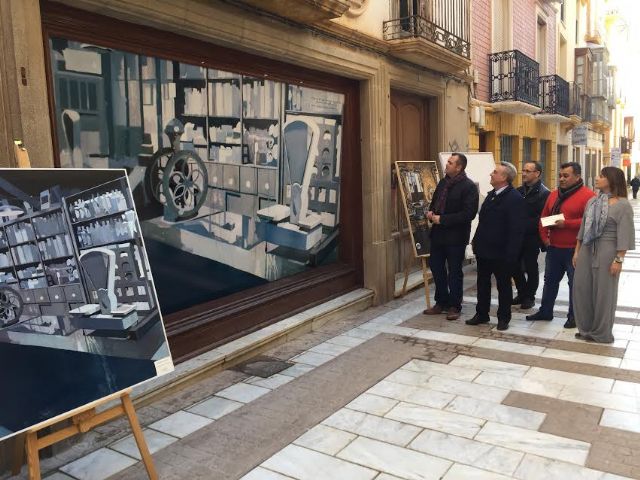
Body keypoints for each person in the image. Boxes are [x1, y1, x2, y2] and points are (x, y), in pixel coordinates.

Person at [527, 162, 595, 327]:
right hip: (554, 247)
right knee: (549, 281)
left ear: (577, 177)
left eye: (566, 176)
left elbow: (590, 222)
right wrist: (545, 239)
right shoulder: (554, 194)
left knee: (574, 284)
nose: (561, 179)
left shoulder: (588, 196)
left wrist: (567, 224)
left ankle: (574, 316)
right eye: (560, 175)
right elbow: (543, 218)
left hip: (575, 249)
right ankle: (545, 311)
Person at [573, 167, 635, 343]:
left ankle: (601, 332)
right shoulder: (592, 202)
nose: (597, 178)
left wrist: (618, 260)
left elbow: (625, 235)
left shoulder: (623, 205)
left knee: (604, 293)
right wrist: (577, 251)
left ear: (611, 180)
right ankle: (585, 328)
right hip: (586, 249)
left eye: (601, 176)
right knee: (582, 289)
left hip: (608, 251)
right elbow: (583, 228)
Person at [466, 162, 524, 331]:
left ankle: (503, 317)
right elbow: (483, 222)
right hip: (484, 250)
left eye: (495, 172)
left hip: (502, 253)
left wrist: (511, 255)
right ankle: (481, 314)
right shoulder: (491, 195)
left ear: (504, 178)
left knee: (503, 286)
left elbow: (516, 230)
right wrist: (476, 241)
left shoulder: (514, 198)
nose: (491, 174)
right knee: (482, 284)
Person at [424, 153, 479, 320]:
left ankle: (455, 305)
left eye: (450, 162)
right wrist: (431, 212)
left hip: (455, 237)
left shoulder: (468, 186)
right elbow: (435, 202)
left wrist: (443, 219)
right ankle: (441, 302)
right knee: (436, 269)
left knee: (454, 272)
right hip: (438, 235)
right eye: (447, 161)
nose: (446, 164)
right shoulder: (443, 182)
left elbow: (468, 214)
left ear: (459, 167)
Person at [511, 161, 550, 310]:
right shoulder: (518, 191)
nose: (524, 173)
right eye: (523, 170)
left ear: (537, 173)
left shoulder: (544, 193)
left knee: (531, 266)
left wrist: (524, 225)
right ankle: (521, 292)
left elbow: (542, 218)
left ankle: (529, 296)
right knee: (514, 265)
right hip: (516, 236)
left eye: (528, 171)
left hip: (532, 237)